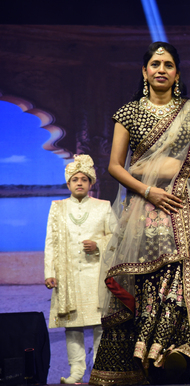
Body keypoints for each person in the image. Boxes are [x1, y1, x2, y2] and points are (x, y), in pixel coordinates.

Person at [89, 42, 190, 386]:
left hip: (188, 206)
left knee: (187, 277)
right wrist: (150, 189)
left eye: (168, 64)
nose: (161, 69)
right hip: (145, 207)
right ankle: (150, 356)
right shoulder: (129, 113)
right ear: (144, 71)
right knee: (151, 277)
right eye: (155, 64)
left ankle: (181, 352)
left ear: (177, 73)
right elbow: (116, 167)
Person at [44, 154, 113, 384]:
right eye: (75, 179)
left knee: (99, 323)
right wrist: (50, 273)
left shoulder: (103, 207)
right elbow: (51, 241)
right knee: (72, 325)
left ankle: (100, 368)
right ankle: (76, 372)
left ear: (91, 183)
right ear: (68, 184)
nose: (80, 182)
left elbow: (115, 238)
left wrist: (99, 245)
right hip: (68, 274)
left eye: (84, 179)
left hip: (96, 274)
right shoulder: (57, 207)